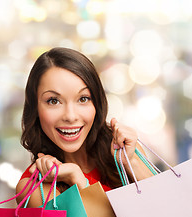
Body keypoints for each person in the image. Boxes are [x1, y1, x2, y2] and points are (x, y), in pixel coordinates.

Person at [16, 47, 154, 207]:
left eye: (83, 99)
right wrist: (78, 179)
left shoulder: (126, 151)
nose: (70, 116)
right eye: (53, 101)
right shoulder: (36, 190)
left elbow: (168, 210)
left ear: (97, 102)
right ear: (35, 109)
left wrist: (132, 163)